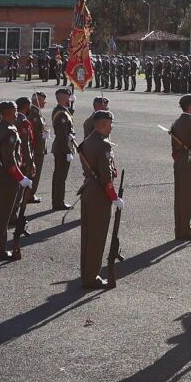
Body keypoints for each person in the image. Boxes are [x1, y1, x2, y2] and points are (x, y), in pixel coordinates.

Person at [76, 109, 118, 290]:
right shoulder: (103, 144)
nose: (111, 127)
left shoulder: (88, 140)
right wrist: (114, 197)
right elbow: (106, 178)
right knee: (97, 237)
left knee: (87, 236)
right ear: (102, 124)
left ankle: (86, 273)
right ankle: (91, 277)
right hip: (99, 194)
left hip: (88, 191)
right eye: (110, 124)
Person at [0, 100, 30, 261]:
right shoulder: (10, 131)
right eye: (14, 110)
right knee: (3, 215)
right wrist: (21, 178)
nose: (17, 113)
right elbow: (10, 160)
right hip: (6, 178)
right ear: (6, 113)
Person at [169, 94, 191, 241]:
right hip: (189, 163)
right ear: (190, 105)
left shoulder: (176, 123)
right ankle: (186, 230)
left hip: (179, 162)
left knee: (179, 197)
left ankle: (179, 229)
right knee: (188, 198)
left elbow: (174, 149)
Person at [49, 87, 76, 210]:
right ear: (64, 98)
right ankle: (58, 202)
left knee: (58, 175)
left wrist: (72, 106)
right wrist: (67, 151)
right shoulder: (61, 115)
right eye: (68, 97)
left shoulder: (60, 110)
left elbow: (69, 115)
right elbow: (62, 135)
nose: (70, 99)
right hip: (62, 148)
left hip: (60, 147)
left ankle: (57, 200)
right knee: (60, 176)